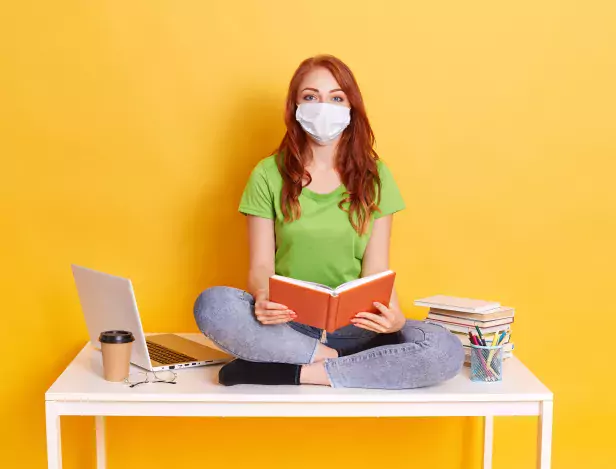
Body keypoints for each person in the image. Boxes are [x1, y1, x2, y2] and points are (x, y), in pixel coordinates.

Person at [194, 55, 464, 389]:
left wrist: (392, 316)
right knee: (213, 306)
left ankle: (289, 372)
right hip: (288, 328)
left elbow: (377, 268)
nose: (324, 107)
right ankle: (345, 365)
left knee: (444, 350)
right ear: (295, 105)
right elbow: (261, 264)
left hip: (360, 328)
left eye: (336, 98)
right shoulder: (267, 174)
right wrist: (264, 297)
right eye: (311, 97)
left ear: (351, 108)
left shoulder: (376, 177)